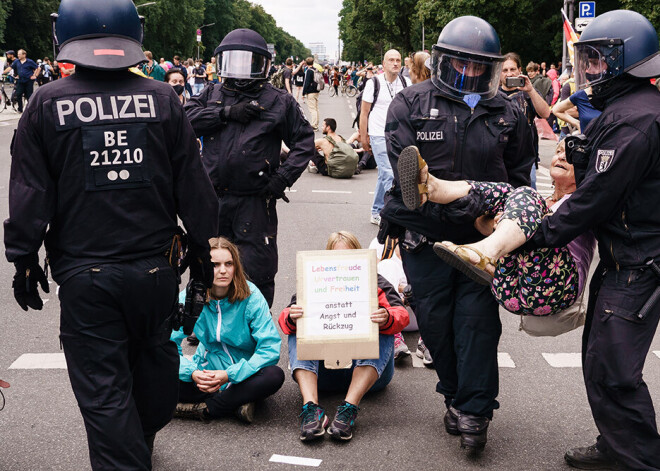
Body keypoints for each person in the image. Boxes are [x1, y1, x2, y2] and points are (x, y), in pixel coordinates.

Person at [3, 0, 219, 469]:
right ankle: (134, 447)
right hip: (155, 273)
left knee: (105, 396)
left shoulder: (46, 102)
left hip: (87, 277)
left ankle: (127, 455)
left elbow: (29, 191)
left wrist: (22, 257)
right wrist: (203, 258)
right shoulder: (162, 100)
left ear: (65, 37)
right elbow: (195, 189)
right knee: (151, 375)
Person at [382, 15, 535, 453]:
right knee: (436, 325)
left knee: (478, 325)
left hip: (482, 242)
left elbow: (521, 177)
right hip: (424, 236)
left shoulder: (508, 111)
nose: (468, 73)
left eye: (478, 66)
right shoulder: (409, 104)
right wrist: (462, 203)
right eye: (459, 64)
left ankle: (475, 410)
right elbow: (406, 178)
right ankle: (453, 394)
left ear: (491, 68)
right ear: (442, 62)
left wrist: (497, 219)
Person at [525, 10, 660, 471]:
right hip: (625, 256)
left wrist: (539, 236)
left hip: (639, 263)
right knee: (598, 359)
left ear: (628, 60)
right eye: (589, 60)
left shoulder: (633, 121)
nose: (590, 70)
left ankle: (640, 460)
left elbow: (596, 197)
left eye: (599, 60)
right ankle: (615, 445)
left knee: (614, 370)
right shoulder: (628, 109)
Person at [185, 28, 314, 308]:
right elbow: (185, 119)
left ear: (262, 65)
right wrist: (225, 113)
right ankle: (206, 322)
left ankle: (256, 324)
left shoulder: (278, 101)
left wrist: (282, 178)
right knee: (208, 263)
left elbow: (304, 141)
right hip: (214, 197)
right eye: (234, 61)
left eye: (248, 62)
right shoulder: (212, 92)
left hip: (255, 199)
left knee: (256, 266)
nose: (241, 70)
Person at [398, 141, 596, 318]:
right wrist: (498, 224)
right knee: (509, 193)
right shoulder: (542, 202)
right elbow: (480, 224)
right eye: (558, 151)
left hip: (554, 289)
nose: (561, 156)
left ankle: (485, 252)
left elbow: (553, 231)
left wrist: (518, 222)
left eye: (569, 156)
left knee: (524, 194)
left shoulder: (583, 202)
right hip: (508, 287)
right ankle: (431, 188)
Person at [279, 231, 409, 442]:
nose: (342, 263)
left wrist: (386, 317)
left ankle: (349, 408)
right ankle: (311, 409)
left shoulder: (376, 280)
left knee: (382, 326)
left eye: (349, 257)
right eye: (336, 257)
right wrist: (292, 317)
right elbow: (284, 318)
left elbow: (401, 313)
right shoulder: (313, 281)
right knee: (297, 322)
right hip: (323, 374)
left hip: (370, 375)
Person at [171, 237, 284, 424]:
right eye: (215, 265)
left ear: (236, 267)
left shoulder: (252, 296)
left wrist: (229, 375)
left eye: (229, 264)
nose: (223, 270)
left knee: (274, 375)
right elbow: (168, 344)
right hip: (205, 374)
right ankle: (236, 403)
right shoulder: (190, 296)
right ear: (204, 267)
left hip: (244, 374)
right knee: (152, 376)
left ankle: (209, 409)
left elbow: (269, 348)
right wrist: (191, 372)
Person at [359, 49, 411, 226]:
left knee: (387, 173)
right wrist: (363, 137)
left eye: (398, 60)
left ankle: (377, 209)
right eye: (391, 60)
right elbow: (364, 112)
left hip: (399, 135)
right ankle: (387, 212)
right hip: (378, 134)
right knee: (389, 172)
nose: (395, 63)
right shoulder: (374, 83)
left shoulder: (406, 83)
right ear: (384, 62)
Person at [500, 52, 552, 190]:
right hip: (499, 157)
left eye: (512, 69)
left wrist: (530, 90)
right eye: (504, 70)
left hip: (526, 159)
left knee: (528, 196)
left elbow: (546, 113)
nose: (509, 74)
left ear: (519, 71)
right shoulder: (493, 95)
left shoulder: (528, 93)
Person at [301, 57, 320, 130]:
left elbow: (306, 83)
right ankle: (316, 123)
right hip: (316, 91)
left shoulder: (309, 71)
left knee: (312, 109)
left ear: (306, 63)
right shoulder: (316, 70)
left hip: (310, 92)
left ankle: (314, 125)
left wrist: (303, 93)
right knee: (316, 108)